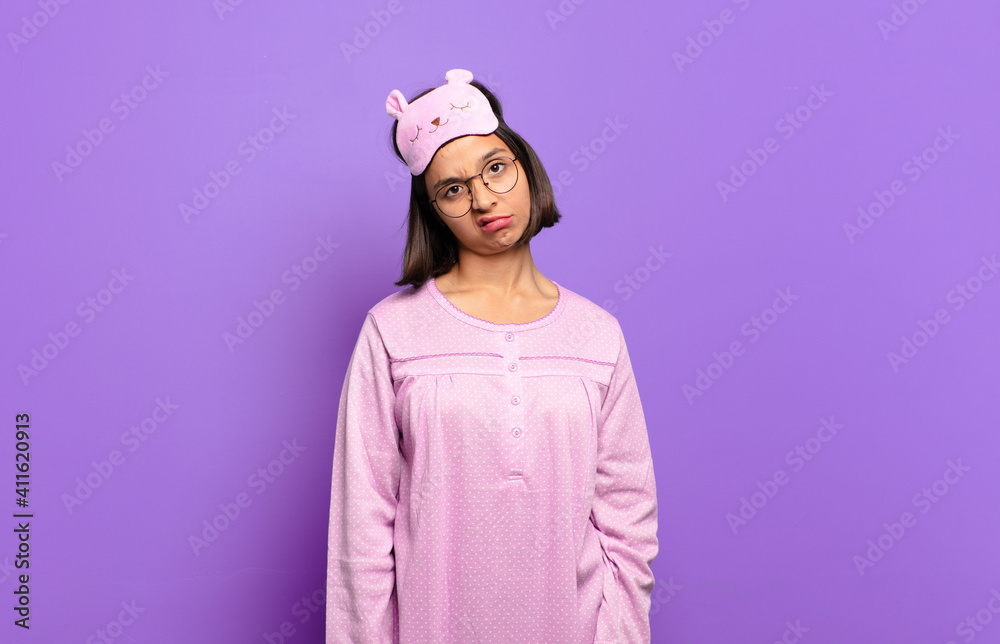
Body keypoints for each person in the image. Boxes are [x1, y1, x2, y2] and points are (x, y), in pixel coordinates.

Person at [325, 68, 658, 644]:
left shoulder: (597, 334)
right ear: (433, 210)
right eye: (452, 189)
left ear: (526, 169)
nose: (482, 199)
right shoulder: (392, 331)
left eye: (495, 168)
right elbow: (362, 527)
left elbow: (629, 524)